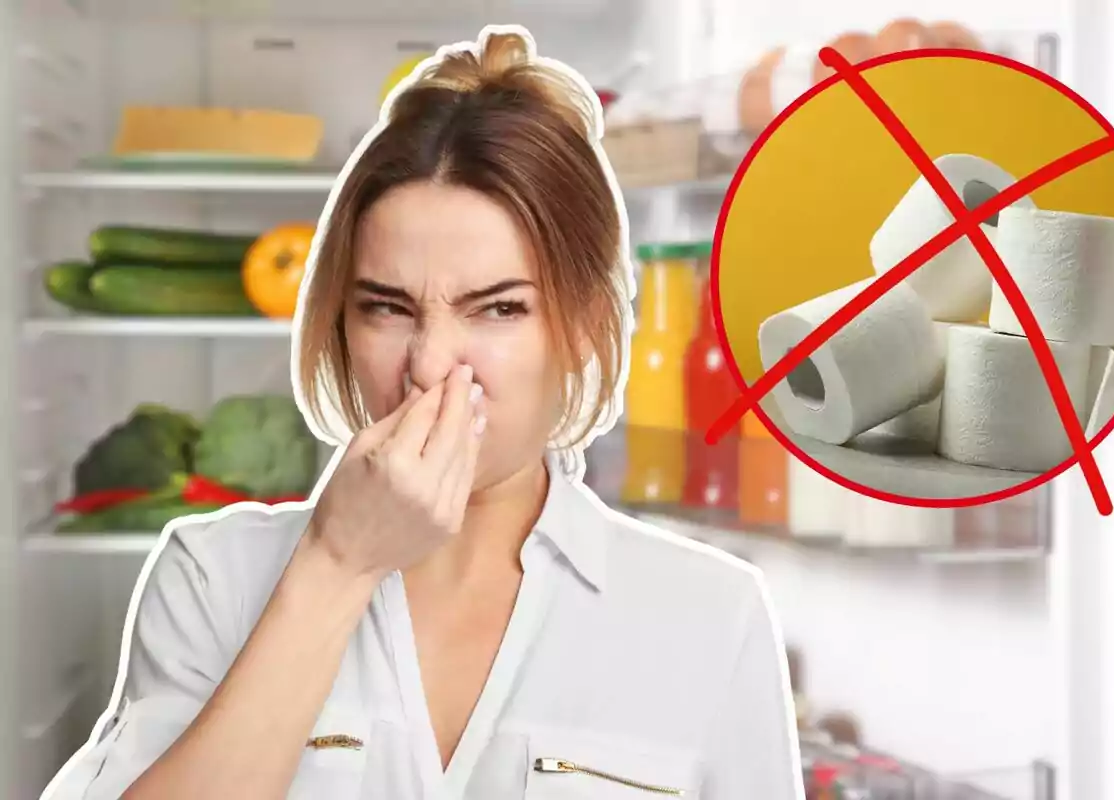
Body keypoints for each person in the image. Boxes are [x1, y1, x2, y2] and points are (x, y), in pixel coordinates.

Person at [41, 25, 804, 800]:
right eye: (386, 308)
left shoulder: (710, 618)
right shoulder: (212, 579)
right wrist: (336, 563)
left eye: (499, 309)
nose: (431, 364)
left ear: (579, 327)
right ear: (341, 320)